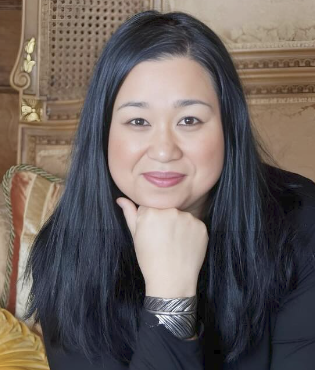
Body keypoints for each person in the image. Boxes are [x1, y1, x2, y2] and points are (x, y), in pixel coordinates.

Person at [23, 10, 315, 370]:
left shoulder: (301, 221)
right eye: (138, 121)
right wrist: (169, 295)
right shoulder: (65, 250)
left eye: (189, 120)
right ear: (104, 133)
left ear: (228, 129)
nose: (163, 150)